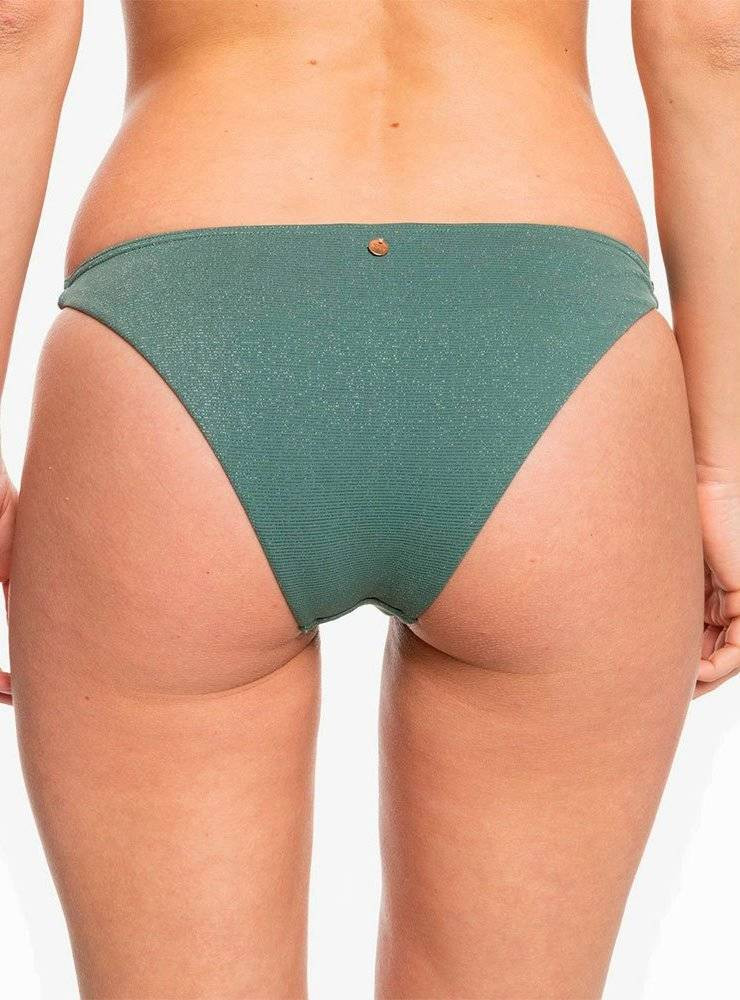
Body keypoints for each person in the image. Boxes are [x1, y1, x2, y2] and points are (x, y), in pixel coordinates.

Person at [1, 1, 737, 997]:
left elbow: (15, 23)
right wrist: (721, 469)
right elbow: (710, 34)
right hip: (549, 321)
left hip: (189, 314)